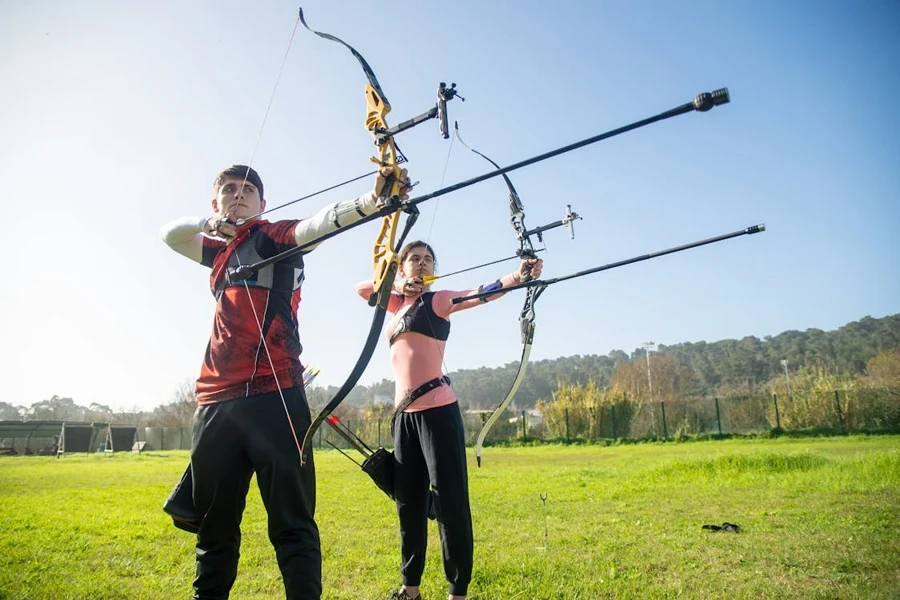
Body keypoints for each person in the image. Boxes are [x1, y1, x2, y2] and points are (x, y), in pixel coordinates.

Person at [160, 164, 410, 600]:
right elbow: (170, 235)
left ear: (263, 203)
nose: (239, 196)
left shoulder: (273, 236)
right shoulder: (218, 251)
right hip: (215, 401)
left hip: (275, 397)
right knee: (214, 531)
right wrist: (209, 226)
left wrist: (372, 203)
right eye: (229, 190)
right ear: (215, 202)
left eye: (249, 190)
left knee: (292, 526)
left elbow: (318, 224)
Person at [355, 241, 543, 600]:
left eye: (428, 259)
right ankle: (410, 589)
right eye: (414, 259)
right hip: (403, 419)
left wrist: (518, 275)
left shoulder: (437, 300)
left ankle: (457, 591)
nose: (421, 263)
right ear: (403, 266)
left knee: (450, 500)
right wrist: (397, 285)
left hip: (438, 412)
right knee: (408, 502)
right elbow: (362, 288)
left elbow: (480, 293)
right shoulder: (394, 305)